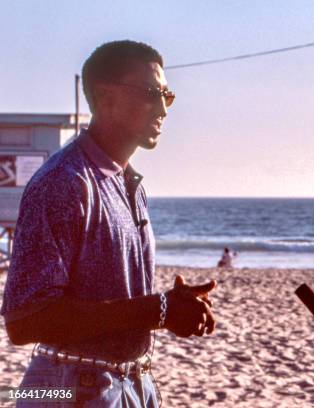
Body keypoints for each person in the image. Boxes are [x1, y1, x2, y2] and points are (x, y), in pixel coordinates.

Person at [1, 40, 216, 407]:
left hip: (131, 385)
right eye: (151, 93)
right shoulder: (64, 181)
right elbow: (25, 319)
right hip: (71, 389)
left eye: (167, 94)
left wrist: (169, 305)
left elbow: (106, 298)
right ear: (104, 97)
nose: (163, 108)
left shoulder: (126, 182)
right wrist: (159, 310)